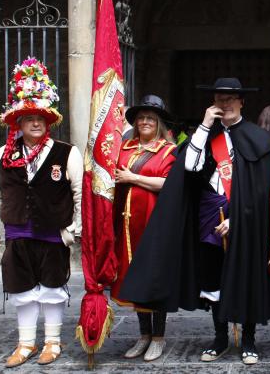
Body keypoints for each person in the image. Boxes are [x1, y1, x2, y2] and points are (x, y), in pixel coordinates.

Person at [119, 77, 270, 366]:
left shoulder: (258, 139)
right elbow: (190, 167)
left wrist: (238, 220)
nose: (225, 103)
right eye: (220, 98)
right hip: (208, 218)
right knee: (214, 280)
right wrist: (206, 126)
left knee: (245, 278)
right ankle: (220, 337)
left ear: (242, 102)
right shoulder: (205, 136)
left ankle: (248, 340)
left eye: (231, 98)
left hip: (245, 221)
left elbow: (263, 190)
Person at [0, 58, 82, 368]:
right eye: (28, 119)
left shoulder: (67, 152)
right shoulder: (2, 154)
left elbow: (80, 195)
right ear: (18, 123)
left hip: (53, 234)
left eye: (40, 118)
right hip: (18, 233)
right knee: (21, 290)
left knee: (52, 289)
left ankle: (52, 340)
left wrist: (73, 230)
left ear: (48, 121)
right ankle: (25, 343)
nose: (35, 123)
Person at [111, 95, 178, 362]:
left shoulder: (168, 151)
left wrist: (133, 177)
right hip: (127, 226)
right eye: (141, 118)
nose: (145, 122)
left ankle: (158, 337)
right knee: (135, 279)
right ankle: (143, 336)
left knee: (154, 279)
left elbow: (168, 184)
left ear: (158, 122)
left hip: (154, 225)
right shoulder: (124, 148)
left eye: (150, 118)